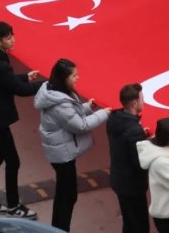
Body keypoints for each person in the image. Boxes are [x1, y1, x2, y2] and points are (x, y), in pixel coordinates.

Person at [35, 58, 111, 231]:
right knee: (68, 196)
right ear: (64, 78)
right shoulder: (60, 102)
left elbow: (72, 113)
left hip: (60, 151)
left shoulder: (56, 93)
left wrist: (88, 107)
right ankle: (61, 228)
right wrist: (103, 114)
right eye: (74, 75)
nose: (78, 78)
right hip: (62, 155)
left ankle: (57, 228)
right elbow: (80, 125)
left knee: (63, 193)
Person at [0, 21, 42, 218]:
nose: (12, 40)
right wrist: (43, 84)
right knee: (12, 161)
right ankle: (13, 205)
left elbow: (8, 81)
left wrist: (25, 77)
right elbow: (19, 90)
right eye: (8, 37)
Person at [107, 83, 150, 233]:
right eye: (142, 99)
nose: (143, 102)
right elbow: (140, 162)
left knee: (129, 222)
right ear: (134, 103)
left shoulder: (114, 119)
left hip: (119, 180)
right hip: (133, 186)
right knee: (140, 226)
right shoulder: (134, 130)